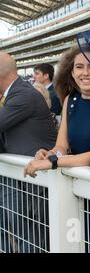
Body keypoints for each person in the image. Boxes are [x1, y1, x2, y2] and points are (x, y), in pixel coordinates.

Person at [23, 31, 90, 252]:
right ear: (71, 71)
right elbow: (62, 146)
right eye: (79, 66)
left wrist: (52, 163)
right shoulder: (70, 100)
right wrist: (50, 154)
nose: (85, 72)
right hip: (75, 192)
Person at [0, 51, 57, 253]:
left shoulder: (23, 95)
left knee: (31, 240)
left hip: (31, 183)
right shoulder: (14, 94)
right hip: (18, 179)